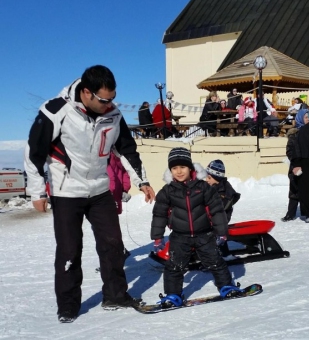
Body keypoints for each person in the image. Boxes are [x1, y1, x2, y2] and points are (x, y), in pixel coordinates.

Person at [24, 65, 156, 323]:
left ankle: (115, 295)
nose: (110, 104)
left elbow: (127, 149)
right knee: (69, 250)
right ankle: (68, 305)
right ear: (87, 92)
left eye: (113, 98)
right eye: (105, 100)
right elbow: (33, 152)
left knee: (113, 244)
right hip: (66, 192)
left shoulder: (113, 115)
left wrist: (143, 182)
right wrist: (37, 192)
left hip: (99, 190)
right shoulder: (56, 111)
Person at [151, 147, 242, 308]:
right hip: (179, 236)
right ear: (170, 170)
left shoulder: (203, 187)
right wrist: (158, 236)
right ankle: (173, 295)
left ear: (190, 168)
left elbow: (216, 209)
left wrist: (221, 232)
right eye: (174, 168)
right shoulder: (167, 191)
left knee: (215, 261)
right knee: (174, 266)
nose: (179, 172)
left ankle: (226, 286)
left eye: (182, 167)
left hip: (204, 234)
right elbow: (159, 214)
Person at [205, 159, 241, 259]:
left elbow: (221, 208)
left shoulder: (224, 190)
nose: (206, 179)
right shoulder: (212, 186)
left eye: (209, 177)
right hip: (212, 216)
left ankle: (223, 254)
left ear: (217, 177)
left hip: (222, 217)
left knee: (213, 232)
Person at [281, 109, 309, 221]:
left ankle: (307, 213)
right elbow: (289, 151)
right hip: (296, 166)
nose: (308, 120)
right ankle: (290, 213)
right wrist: (296, 162)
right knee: (294, 190)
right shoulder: (294, 134)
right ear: (300, 119)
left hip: (308, 166)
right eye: (306, 117)